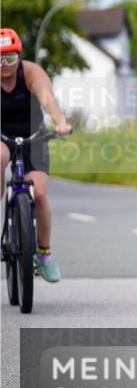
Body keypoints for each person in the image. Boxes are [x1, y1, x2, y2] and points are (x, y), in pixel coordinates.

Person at [1, 28, 73, 282]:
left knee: (39, 194)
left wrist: (60, 120)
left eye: (10, 58)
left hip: (34, 134)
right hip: (2, 135)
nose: (4, 65)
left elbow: (46, 97)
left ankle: (44, 254)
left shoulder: (30, 72)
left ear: (19, 56)